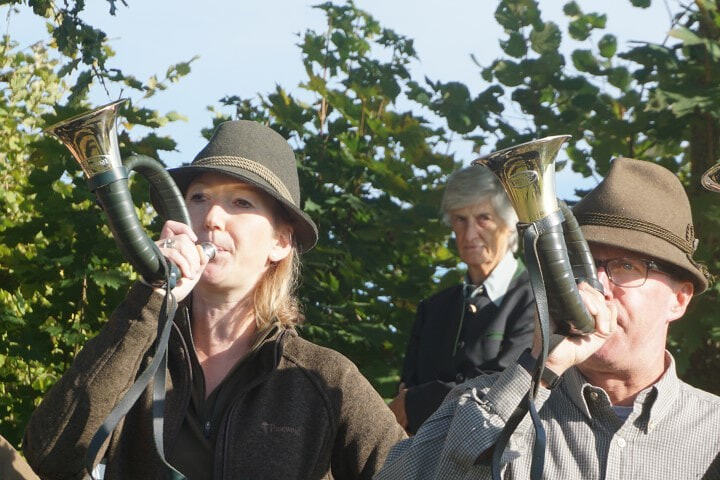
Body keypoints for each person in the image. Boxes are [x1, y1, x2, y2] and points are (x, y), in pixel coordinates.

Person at [23, 120, 406, 479]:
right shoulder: (135, 348)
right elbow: (51, 457)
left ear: (280, 242)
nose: (211, 218)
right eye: (199, 197)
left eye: (241, 203)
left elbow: (413, 470)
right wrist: (150, 299)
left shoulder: (325, 377)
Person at [376, 157, 720, 479]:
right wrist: (539, 370)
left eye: (627, 266)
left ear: (679, 299)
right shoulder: (477, 403)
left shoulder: (713, 432)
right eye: (582, 265)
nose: (595, 286)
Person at [389, 166, 535, 434]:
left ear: (508, 223)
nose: (469, 235)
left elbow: (509, 388)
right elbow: (403, 405)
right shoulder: (432, 309)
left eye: (483, 218)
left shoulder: (536, 301)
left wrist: (418, 402)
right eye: (460, 219)